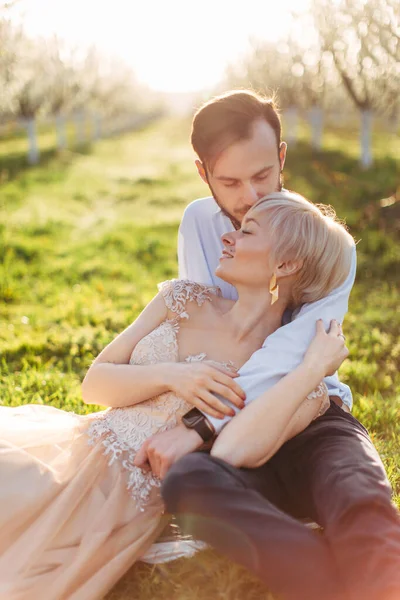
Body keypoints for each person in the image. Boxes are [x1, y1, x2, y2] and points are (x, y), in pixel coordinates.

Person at [0, 192, 351, 600]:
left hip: (125, 500)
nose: (228, 237)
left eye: (247, 231)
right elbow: (93, 385)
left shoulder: (281, 371)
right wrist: (173, 375)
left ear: (286, 265)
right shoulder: (181, 300)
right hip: (75, 448)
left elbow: (246, 449)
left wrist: (310, 373)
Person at [143, 90, 400, 600]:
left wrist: (198, 425)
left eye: (262, 175)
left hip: (309, 413)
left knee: (358, 496)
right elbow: (205, 328)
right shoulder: (199, 223)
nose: (250, 196)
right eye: (231, 182)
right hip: (236, 423)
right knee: (190, 484)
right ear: (204, 174)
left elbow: (294, 353)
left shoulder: (326, 242)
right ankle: (324, 584)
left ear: (282, 157)